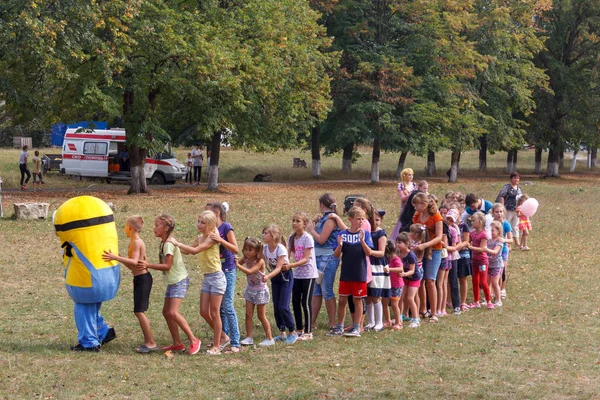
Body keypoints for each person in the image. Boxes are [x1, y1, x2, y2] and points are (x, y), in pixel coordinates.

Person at [139, 214, 201, 355]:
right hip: (173, 281)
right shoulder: (165, 242)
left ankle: (193, 340)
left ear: (166, 228)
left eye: (157, 225)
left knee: (172, 312)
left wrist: (148, 265)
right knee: (166, 312)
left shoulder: (168, 244)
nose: (154, 228)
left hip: (179, 280)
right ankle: (177, 343)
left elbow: (167, 266)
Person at [170, 210, 226, 355]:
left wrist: (177, 242)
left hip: (217, 278)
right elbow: (190, 250)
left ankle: (216, 346)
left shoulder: (213, 237)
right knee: (203, 311)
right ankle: (223, 337)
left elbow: (196, 251)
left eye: (203, 222)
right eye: (198, 221)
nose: (199, 224)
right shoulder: (201, 237)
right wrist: (172, 247)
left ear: (211, 224)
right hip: (207, 277)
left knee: (214, 313)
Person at [102, 216, 157, 353]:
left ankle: (150, 342)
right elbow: (133, 265)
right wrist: (119, 257)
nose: (124, 229)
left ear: (130, 228)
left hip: (143, 279)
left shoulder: (137, 242)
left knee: (139, 311)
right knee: (138, 311)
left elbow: (134, 262)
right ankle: (148, 341)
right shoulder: (133, 241)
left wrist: (115, 257)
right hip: (138, 278)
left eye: (125, 226)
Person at [329, 206, 374, 337]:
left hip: (359, 273)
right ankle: (340, 326)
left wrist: (361, 241)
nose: (361, 222)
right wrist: (339, 245)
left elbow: (369, 252)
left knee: (357, 300)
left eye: (363, 219)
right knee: (342, 300)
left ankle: (357, 326)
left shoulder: (365, 234)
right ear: (350, 219)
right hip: (346, 273)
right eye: (358, 219)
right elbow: (336, 255)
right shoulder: (342, 235)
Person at [206, 202, 241, 353]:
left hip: (228, 270)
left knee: (227, 306)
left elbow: (235, 249)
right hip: (216, 271)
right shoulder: (209, 229)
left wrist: (220, 240)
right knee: (219, 308)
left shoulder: (226, 227)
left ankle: (235, 341)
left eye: (208, 213)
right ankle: (222, 337)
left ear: (217, 213)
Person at [307, 193, 340, 335]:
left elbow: (321, 239)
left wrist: (311, 229)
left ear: (322, 204)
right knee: (316, 291)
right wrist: (315, 225)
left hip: (328, 258)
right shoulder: (323, 219)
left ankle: (333, 323)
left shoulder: (331, 220)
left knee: (327, 290)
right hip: (318, 257)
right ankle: (311, 322)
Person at [262, 224, 298, 345]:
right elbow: (259, 260)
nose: (263, 235)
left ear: (273, 236)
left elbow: (278, 268)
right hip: (275, 278)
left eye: (266, 233)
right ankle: (282, 332)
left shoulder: (280, 248)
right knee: (277, 307)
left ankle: (292, 331)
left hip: (285, 277)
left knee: (283, 306)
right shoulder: (265, 248)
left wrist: (267, 276)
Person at [235, 237, 274, 347]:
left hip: (260, 291)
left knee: (261, 315)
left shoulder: (260, 261)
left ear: (257, 251)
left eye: (250, 250)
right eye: (245, 249)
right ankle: (249, 337)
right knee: (248, 314)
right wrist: (234, 260)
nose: (247, 252)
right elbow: (238, 262)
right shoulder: (246, 258)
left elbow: (250, 271)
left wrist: (237, 265)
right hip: (250, 290)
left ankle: (269, 338)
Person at [411, 193, 444, 322]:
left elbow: (439, 236)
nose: (415, 208)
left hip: (434, 250)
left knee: (430, 280)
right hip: (420, 251)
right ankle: (423, 309)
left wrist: (425, 245)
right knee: (420, 280)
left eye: (416, 205)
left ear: (424, 204)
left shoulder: (436, 216)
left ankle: (434, 312)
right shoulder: (417, 216)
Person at [286, 212, 318, 341]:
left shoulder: (308, 238)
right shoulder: (291, 238)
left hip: (308, 274)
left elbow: (306, 258)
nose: (294, 223)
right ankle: (299, 329)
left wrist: (291, 265)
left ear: (304, 224)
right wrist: (284, 263)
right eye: (293, 220)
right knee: (295, 301)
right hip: (297, 274)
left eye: (298, 221)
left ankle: (308, 331)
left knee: (306, 302)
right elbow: (287, 255)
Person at [365, 210, 391, 332]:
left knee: (375, 295)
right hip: (367, 264)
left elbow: (381, 253)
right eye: (371, 220)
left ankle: (379, 322)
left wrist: (370, 252)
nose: (374, 222)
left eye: (377, 220)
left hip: (377, 265)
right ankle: (371, 321)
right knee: (368, 295)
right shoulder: (366, 232)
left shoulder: (381, 234)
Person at [468, 212, 493, 309]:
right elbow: (468, 241)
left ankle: (489, 301)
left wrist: (470, 247)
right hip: (474, 260)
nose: (472, 223)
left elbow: (482, 249)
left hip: (482, 261)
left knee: (483, 281)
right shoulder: (472, 233)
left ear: (480, 222)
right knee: (475, 281)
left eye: (474, 221)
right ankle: (476, 301)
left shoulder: (484, 235)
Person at [401, 229, 423, 329]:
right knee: (400, 297)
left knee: (410, 298)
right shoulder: (400, 254)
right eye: (397, 242)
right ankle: (402, 315)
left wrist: (404, 274)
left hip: (414, 278)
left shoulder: (411, 255)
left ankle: (416, 318)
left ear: (406, 244)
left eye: (400, 242)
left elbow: (412, 270)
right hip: (405, 278)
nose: (397, 244)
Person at [491, 203, 514, 299]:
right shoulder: (491, 223)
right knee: (493, 270)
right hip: (493, 248)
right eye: (497, 212)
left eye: (501, 212)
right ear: (493, 213)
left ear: (504, 213)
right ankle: (493, 290)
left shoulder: (506, 224)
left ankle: (502, 289)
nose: (499, 214)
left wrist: (504, 240)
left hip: (503, 249)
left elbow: (511, 239)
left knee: (502, 270)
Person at [442, 208, 462, 314]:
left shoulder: (453, 230)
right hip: (443, 257)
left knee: (453, 281)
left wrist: (445, 246)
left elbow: (454, 248)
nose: (449, 221)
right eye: (448, 218)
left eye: (451, 220)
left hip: (452, 257)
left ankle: (456, 305)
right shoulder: (441, 227)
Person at [497, 172, 522, 246]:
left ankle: (517, 243)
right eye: (514, 178)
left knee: (515, 226)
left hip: (516, 210)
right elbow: (502, 196)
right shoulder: (507, 187)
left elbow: (520, 198)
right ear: (511, 179)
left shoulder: (519, 188)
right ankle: (505, 241)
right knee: (506, 224)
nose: (516, 179)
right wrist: (502, 207)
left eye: (517, 178)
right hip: (507, 209)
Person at [383, 240, 403, 330]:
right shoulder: (388, 259)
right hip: (388, 284)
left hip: (396, 285)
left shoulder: (396, 259)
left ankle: (399, 323)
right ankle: (388, 321)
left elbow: (400, 269)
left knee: (395, 304)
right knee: (384, 303)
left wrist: (389, 269)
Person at [486, 221, 504, 307]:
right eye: (490, 230)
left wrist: (485, 249)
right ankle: (488, 299)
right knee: (487, 282)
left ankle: (498, 300)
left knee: (494, 282)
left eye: (493, 230)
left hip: (497, 265)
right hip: (488, 264)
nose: (491, 232)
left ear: (498, 231)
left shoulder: (499, 242)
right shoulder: (488, 240)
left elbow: (495, 252)